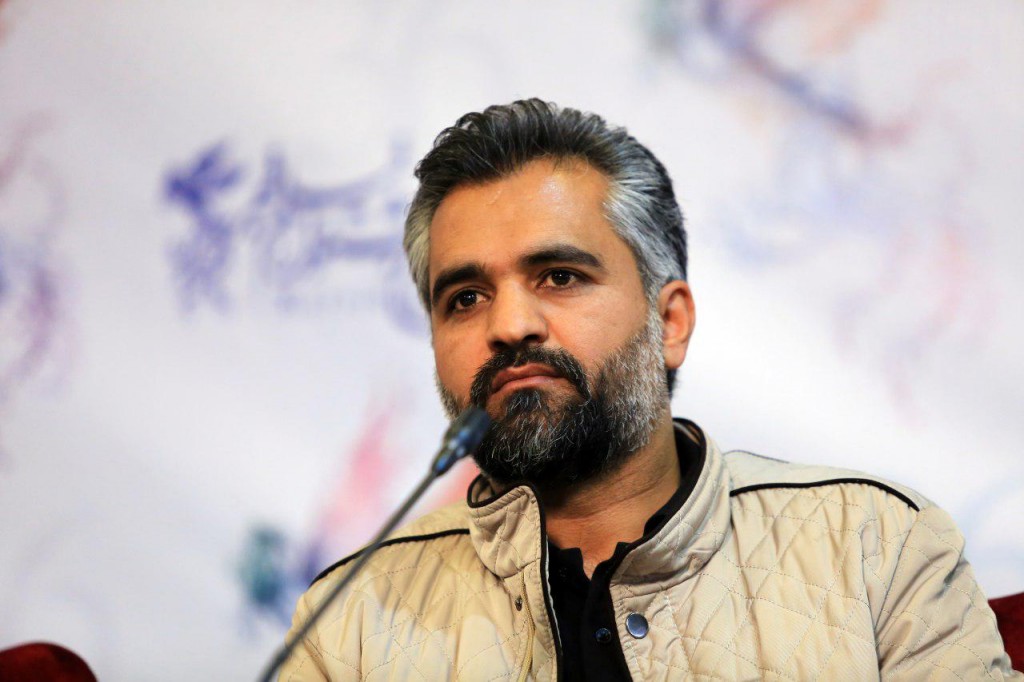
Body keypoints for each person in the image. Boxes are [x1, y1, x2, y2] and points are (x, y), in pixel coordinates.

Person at [280, 99, 1019, 680]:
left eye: (559, 276)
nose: (508, 325)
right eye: (465, 298)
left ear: (669, 322)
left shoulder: (877, 549)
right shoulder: (349, 623)